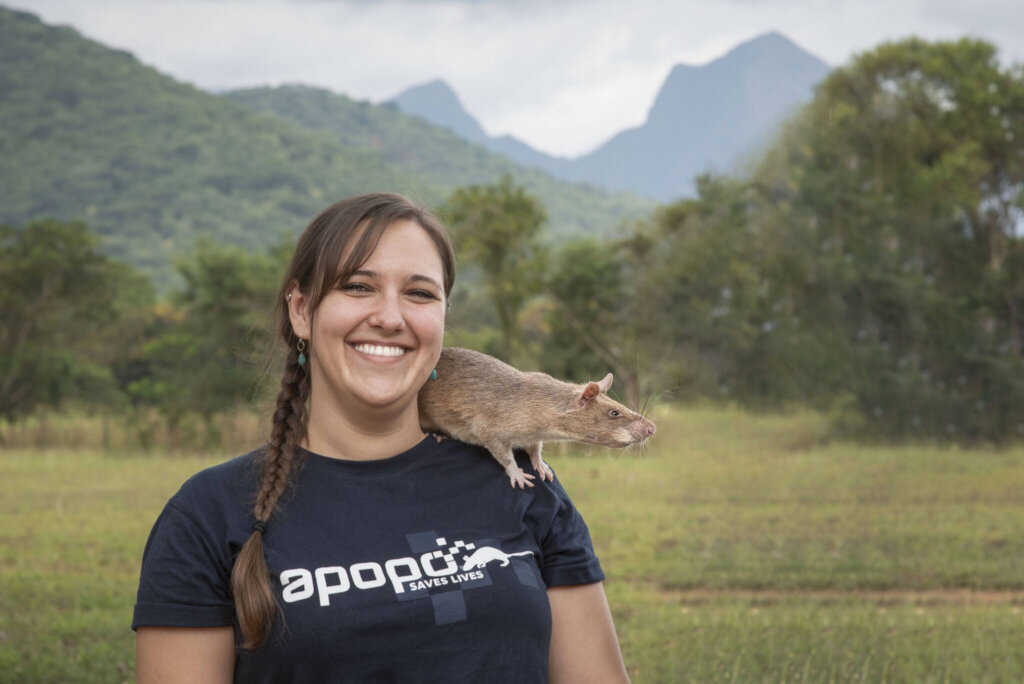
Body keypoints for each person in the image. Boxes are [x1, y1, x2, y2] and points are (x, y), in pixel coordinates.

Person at [132, 193, 630, 683]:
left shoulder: (527, 489)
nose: (390, 317)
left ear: (442, 319)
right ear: (301, 311)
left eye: (419, 293)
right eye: (358, 287)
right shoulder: (206, 515)